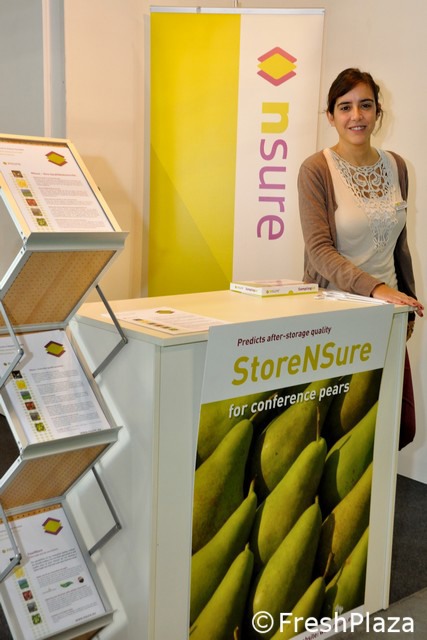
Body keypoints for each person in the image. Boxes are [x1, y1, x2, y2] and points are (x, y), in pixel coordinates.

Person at [298, 68, 424, 448]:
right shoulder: (316, 169)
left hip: (386, 314)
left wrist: (405, 302)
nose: (356, 116)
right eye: (345, 106)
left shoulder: (397, 166)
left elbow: (399, 244)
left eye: (365, 105)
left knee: (397, 426)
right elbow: (319, 251)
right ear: (330, 115)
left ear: (378, 111)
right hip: (334, 316)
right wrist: (376, 288)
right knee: (340, 434)